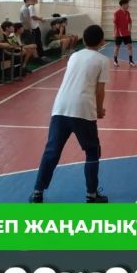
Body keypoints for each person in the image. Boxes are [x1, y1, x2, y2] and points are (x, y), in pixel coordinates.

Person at [29, 25, 109, 203]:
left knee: (52, 151)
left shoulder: (74, 56)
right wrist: (99, 109)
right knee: (92, 150)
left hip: (60, 107)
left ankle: (37, 192)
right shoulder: (102, 60)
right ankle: (92, 194)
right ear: (102, 41)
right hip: (83, 109)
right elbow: (100, 90)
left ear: (84, 39)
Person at [112, 0, 136, 68]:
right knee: (117, 47)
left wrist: (129, 30)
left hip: (126, 33)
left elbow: (130, 22)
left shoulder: (128, 13)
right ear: (122, 5)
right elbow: (115, 24)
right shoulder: (117, 13)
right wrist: (114, 33)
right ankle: (115, 61)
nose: (128, 5)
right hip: (118, 34)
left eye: (128, 4)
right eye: (127, 4)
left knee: (130, 47)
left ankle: (131, 61)